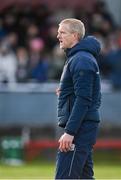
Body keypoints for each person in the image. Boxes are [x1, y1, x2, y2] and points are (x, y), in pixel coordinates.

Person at [55, 18, 101, 179]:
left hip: (80, 129)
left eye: (62, 32)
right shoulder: (79, 57)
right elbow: (89, 95)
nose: (57, 36)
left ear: (74, 36)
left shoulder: (81, 59)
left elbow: (84, 99)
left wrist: (70, 132)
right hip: (83, 126)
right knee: (84, 177)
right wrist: (66, 92)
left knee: (65, 177)